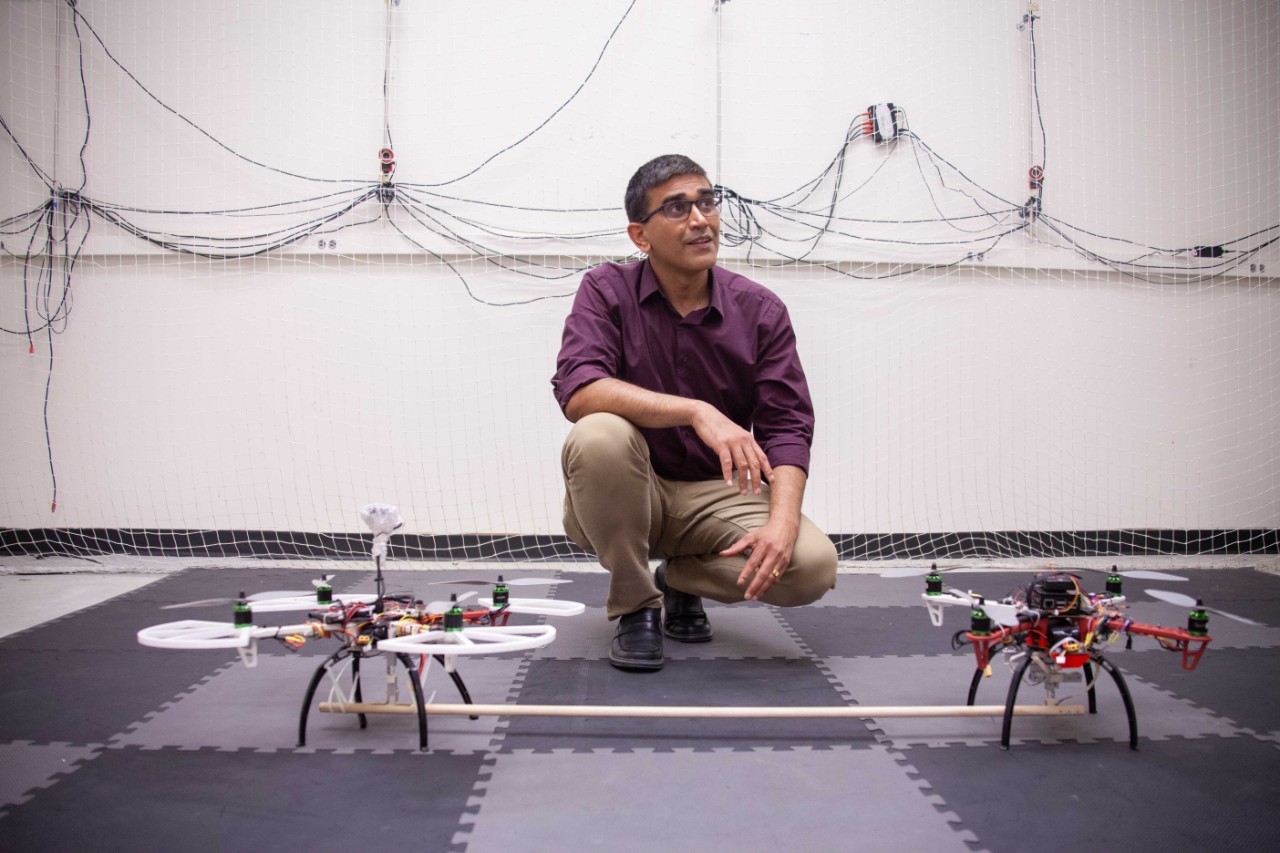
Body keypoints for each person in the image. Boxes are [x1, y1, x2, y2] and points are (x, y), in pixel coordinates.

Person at [551, 154, 837, 671]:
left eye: (707, 202)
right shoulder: (605, 291)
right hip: (628, 491)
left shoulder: (760, 310)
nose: (701, 219)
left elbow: (787, 424)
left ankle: (678, 578)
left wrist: (783, 522)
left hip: (718, 495)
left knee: (810, 567)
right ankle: (636, 607)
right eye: (677, 208)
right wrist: (695, 410)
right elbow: (580, 389)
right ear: (641, 236)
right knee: (598, 434)